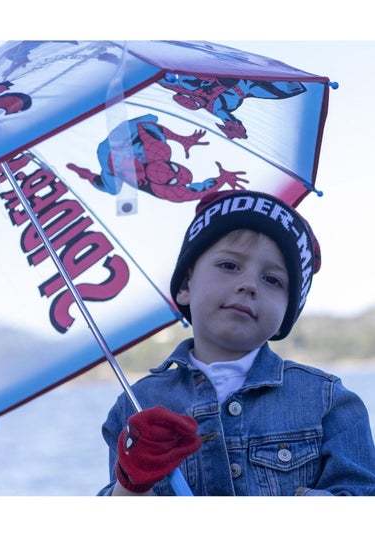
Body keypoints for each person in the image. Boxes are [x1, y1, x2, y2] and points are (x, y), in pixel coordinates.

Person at [98, 189, 375, 496]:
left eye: (272, 280)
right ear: (186, 286)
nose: (249, 285)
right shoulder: (134, 408)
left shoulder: (329, 401)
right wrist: (133, 484)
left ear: (287, 314)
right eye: (230, 265)